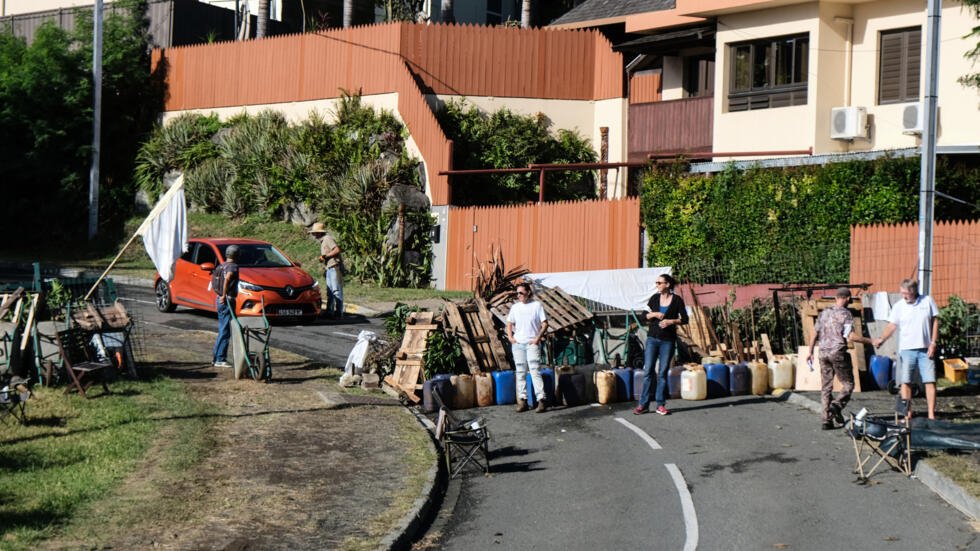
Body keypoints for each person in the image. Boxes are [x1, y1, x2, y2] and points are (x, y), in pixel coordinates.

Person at [803, 287, 872, 430]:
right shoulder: (846, 314)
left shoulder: (824, 313)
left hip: (823, 353)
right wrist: (871, 341)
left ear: (836, 298)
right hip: (838, 353)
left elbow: (814, 333)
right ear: (847, 298)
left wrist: (810, 351)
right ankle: (836, 405)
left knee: (826, 387)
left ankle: (826, 420)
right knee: (848, 384)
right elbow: (850, 336)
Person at [873, 279, 940, 419]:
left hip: (925, 349)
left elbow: (935, 321)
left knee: (930, 380)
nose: (903, 296)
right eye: (901, 292)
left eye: (906, 293)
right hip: (907, 349)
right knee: (906, 381)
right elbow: (892, 325)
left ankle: (931, 415)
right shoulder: (899, 306)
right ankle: (907, 413)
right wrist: (881, 339)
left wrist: (933, 342)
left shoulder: (927, 301)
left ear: (914, 291)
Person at [634, 273, 688, 416]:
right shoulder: (654, 299)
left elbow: (685, 319)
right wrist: (654, 314)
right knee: (648, 372)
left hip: (668, 341)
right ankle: (643, 405)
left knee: (662, 373)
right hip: (652, 339)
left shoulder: (677, 300)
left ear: (667, 284)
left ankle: (660, 405)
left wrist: (671, 321)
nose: (657, 285)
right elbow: (643, 316)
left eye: (659, 282)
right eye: (656, 282)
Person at [506, 282, 549, 413]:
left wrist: (537, 338)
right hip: (518, 344)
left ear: (528, 292)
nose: (519, 295)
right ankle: (522, 401)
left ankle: (541, 400)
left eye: (521, 293)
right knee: (520, 372)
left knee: (535, 371)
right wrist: (510, 337)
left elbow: (545, 324)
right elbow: (509, 322)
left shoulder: (537, 306)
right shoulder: (515, 307)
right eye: (517, 293)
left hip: (532, 344)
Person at [211, 245, 240, 368]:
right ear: (236, 255)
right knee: (225, 330)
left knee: (222, 329)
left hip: (219, 299)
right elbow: (227, 279)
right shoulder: (233, 267)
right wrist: (224, 295)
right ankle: (220, 359)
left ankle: (216, 357)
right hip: (227, 300)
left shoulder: (221, 266)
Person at [310, 222, 344, 318]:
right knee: (330, 291)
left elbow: (337, 249)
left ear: (320, 232)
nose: (314, 234)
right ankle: (329, 311)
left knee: (336, 290)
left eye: (315, 232)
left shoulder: (327, 239)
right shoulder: (323, 240)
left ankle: (338, 312)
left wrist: (326, 256)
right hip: (329, 268)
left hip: (334, 267)